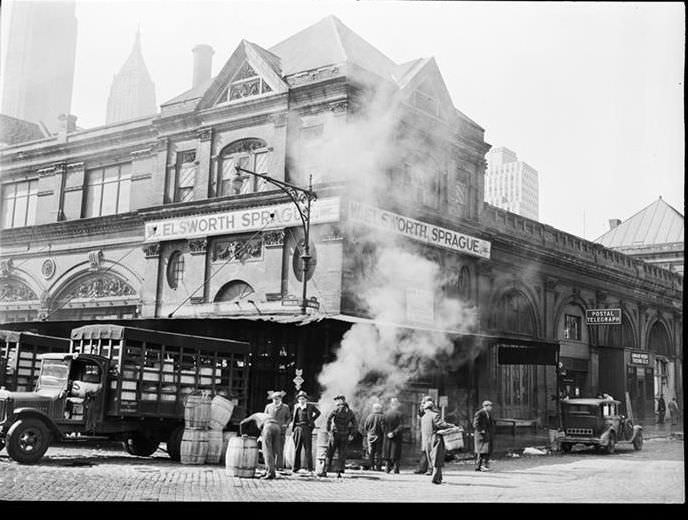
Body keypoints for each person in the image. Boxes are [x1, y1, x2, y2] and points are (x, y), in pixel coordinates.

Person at [318, 394, 357, 478]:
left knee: (330, 452)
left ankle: (324, 471)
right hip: (345, 435)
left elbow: (328, 419)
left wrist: (328, 430)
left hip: (335, 434)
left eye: (337, 400)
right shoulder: (349, 411)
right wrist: (352, 434)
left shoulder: (335, 409)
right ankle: (339, 472)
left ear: (340, 400)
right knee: (341, 454)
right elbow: (355, 424)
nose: (336, 402)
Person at [419, 397, 455, 484]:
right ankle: (435, 478)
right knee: (437, 458)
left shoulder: (423, 417)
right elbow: (441, 424)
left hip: (426, 440)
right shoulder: (434, 415)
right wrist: (452, 425)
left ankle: (439, 477)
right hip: (435, 439)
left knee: (431, 459)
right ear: (432, 407)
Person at [239, 412, 281, 480]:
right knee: (273, 450)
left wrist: (243, 434)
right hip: (277, 427)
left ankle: (270, 473)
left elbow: (242, 422)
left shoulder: (254, 416)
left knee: (267, 451)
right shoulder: (264, 416)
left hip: (268, 426)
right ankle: (270, 471)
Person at [289, 390, 321, 475]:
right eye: (300, 399)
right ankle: (295, 468)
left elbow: (318, 413)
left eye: (303, 399)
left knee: (308, 449)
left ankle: (309, 468)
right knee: (297, 448)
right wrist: (293, 427)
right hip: (297, 428)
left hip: (307, 428)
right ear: (298, 400)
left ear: (306, 399)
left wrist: (312, 421)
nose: (301, 400)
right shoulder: (296, 406)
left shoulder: (310, 406)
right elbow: (293, 417)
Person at [264, 390, 291, 471]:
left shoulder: (285, 407)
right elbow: (264, 417)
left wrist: (286, 424)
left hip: (280, 430)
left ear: (280, 399)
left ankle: (279, 466)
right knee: (269, 448)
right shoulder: (268, 407)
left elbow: (289, 417)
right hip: (270, 430)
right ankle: (270, 466)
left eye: (277, 399)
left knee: (279, 448)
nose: (275, 401)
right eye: (273, 399)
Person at [382, 397, 404, 474]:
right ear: (396, 404)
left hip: (387, 436)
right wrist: (394, 433)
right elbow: (401, 426)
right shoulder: (400, 414)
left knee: (387, 453)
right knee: (396, 454)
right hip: (396, 437)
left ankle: (387, 468)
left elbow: (382, 425)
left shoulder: (385, 413)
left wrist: (387, 433)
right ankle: (396, 469)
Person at [472, 400, 496, 472]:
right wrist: (481, 430)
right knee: (481, 452)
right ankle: (479, 466)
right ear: (485, 406)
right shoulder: (479, 413)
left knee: (485, 451)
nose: (491, 407)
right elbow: (475, 424)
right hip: (481, 436)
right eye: (490, 406)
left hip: (487, 435)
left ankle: (483, 466)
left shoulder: (488, 413)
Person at [413, 395, 434, 474]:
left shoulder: (432, 411)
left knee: (429, 453)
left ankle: (429, 468)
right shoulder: (424, 411)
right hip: (425, 434)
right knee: (425, 452)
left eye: (424, 402)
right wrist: (421, 405)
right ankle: (422, 468)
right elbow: (419, 415)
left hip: (430, 435)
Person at [363, 403, 386, 471]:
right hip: (379, 436)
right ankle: (378, 467)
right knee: (378, 452)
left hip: (370, 436)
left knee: (371, 452)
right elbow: (383, 428)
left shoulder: (369, 416)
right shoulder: (382, 417)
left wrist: (369, 432)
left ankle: (371, 467)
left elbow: (365, 427)